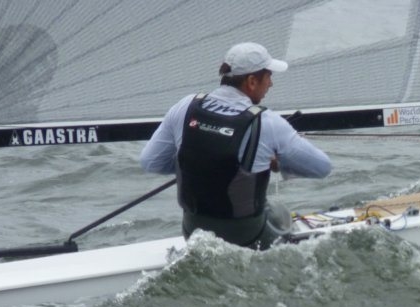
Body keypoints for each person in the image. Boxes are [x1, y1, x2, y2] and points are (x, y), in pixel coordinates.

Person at [140, 42, 332, 249]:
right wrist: (278, 163)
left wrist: (199, 167)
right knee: (278, 211)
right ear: (252, 81)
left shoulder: (185, 106)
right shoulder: (268, 122)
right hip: (247, 237)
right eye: (268, 76)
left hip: (192, 231)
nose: (271, 84)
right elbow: (322, 167)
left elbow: (151, 162)